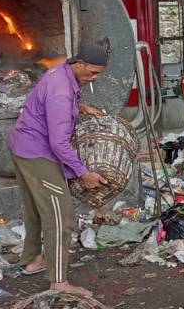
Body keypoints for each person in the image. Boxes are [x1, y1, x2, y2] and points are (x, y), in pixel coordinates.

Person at [6, 42, 109, 294]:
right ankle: (59, 281)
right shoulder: (61, 92)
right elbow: (59, 143)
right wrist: (83, 172)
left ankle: (32, 260)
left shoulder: (58, 71)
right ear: (80, 63)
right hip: (37, 153)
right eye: (92, 72)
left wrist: (79, 108)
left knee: (35, 209)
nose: (94, 77)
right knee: (61, 216)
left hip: (21, 145)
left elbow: (48, 108)